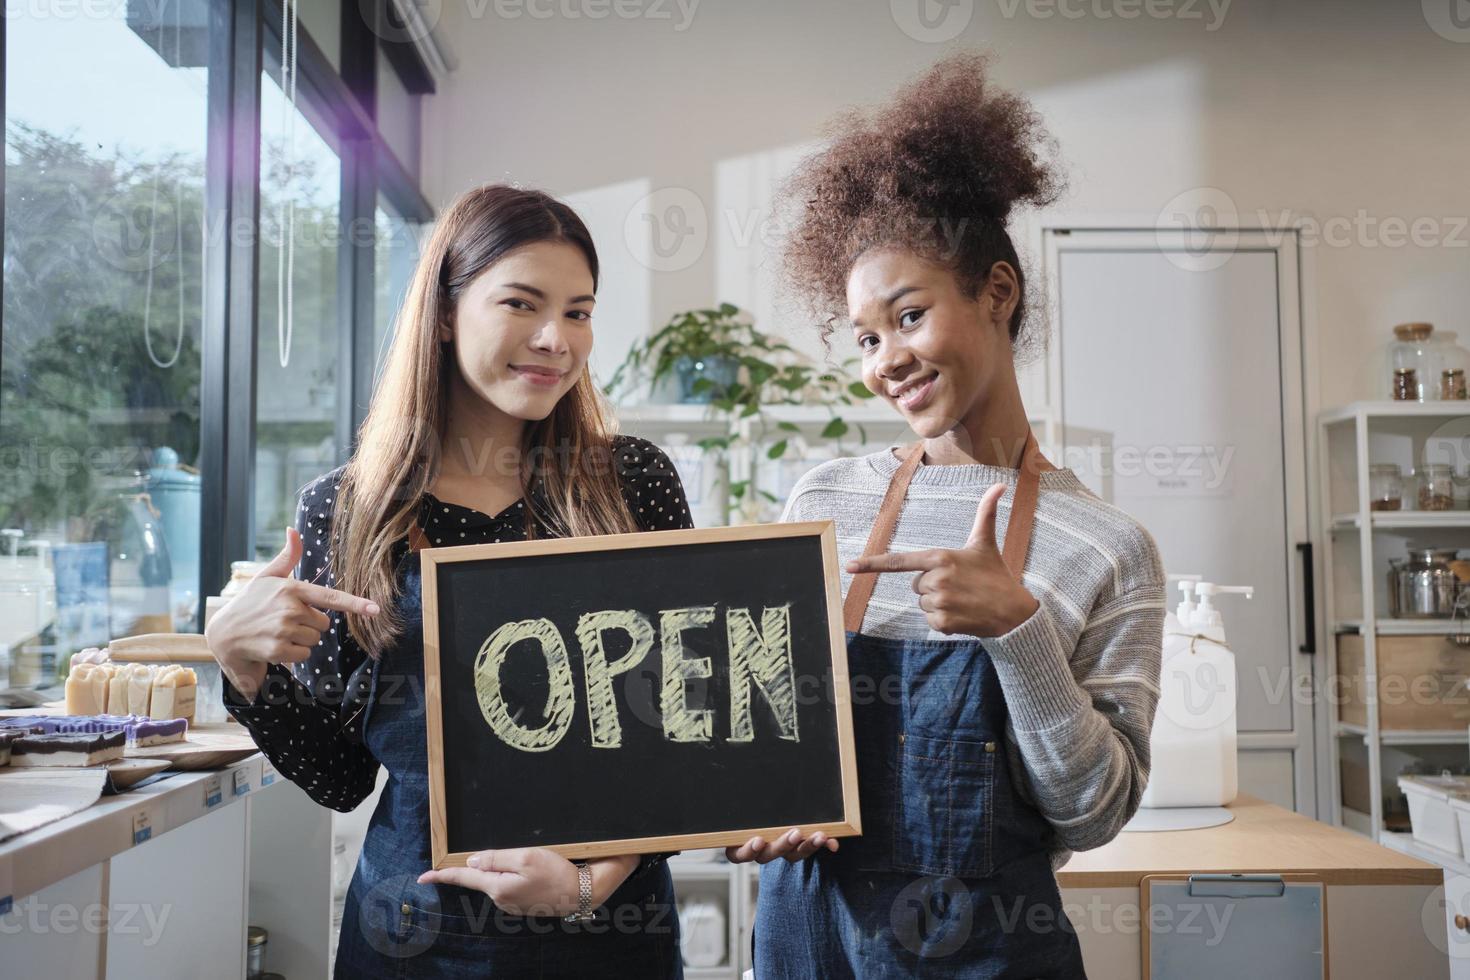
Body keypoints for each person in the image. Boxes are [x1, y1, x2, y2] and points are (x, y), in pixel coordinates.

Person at [727, 54, 1166, 977]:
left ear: (997, 293)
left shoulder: (1108, 548)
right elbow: (763, 732)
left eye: (910, 315)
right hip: (807, 941)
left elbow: (1093, 813)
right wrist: (765, 802)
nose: (886, 359)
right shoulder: (822, 504)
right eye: (865, 337)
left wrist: (1019, 630)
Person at [206, 184, 691, 977]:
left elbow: (694, 734)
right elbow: (340, 776)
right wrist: (244, 668)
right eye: (522, 303)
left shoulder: (630, 481)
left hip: (611, 929)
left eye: (578, 311)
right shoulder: (346, 508)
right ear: (442, 312)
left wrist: (586, 883)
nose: (554, 338)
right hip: (412, 937)